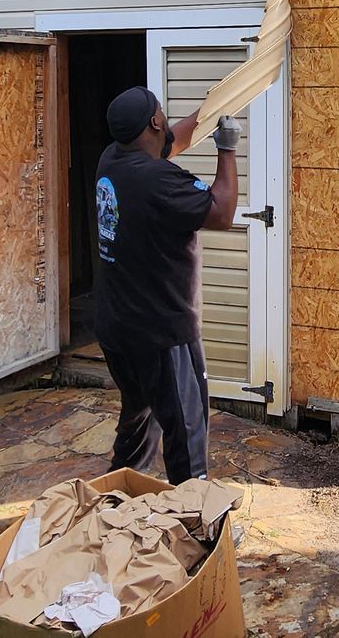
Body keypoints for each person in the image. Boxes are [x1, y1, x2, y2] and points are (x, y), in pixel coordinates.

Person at [92, 86, 240, 486]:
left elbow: (173, 141)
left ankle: (118, 498)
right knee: (186, 431)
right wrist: (227, 149)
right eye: (161, 113)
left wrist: (209, 112)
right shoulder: (159, 180)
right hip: (162, 333)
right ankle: (196, 525)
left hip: (118, 327)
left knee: (138, 419)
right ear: (155, 121)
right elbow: (221, 212)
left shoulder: (113, 159)